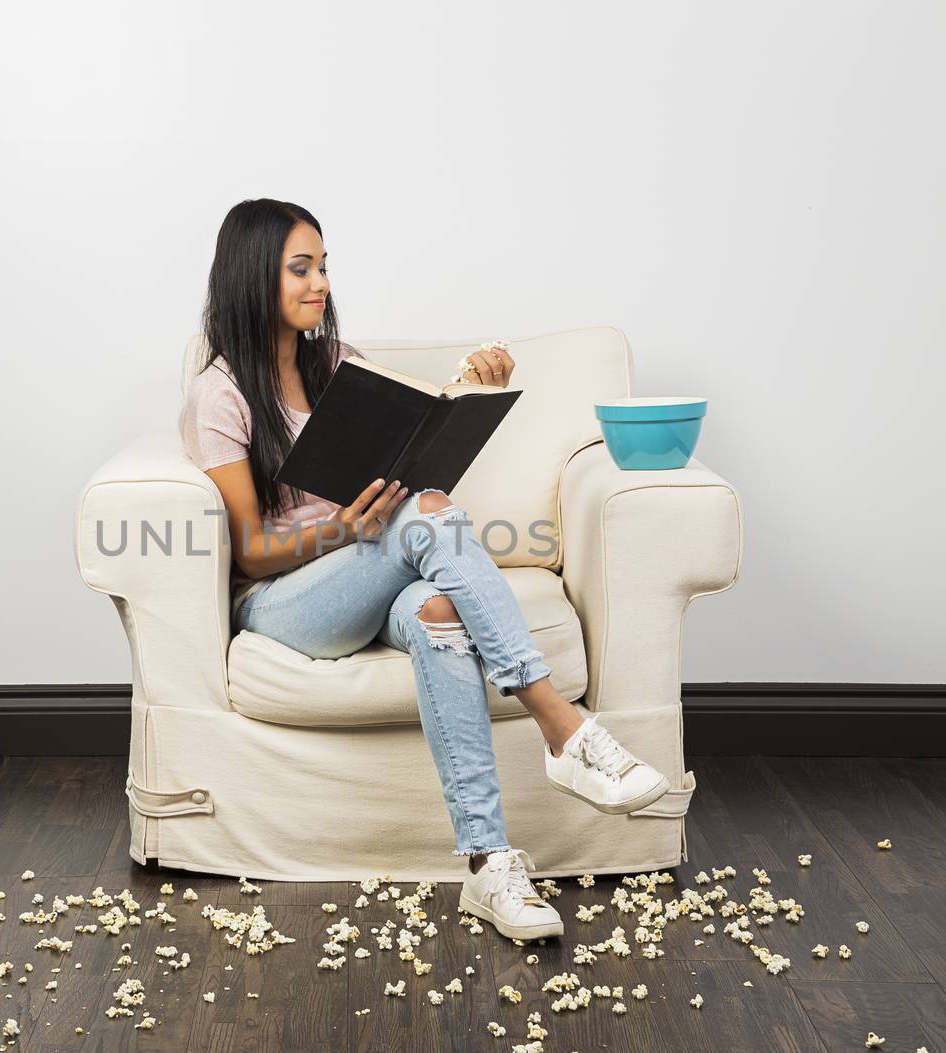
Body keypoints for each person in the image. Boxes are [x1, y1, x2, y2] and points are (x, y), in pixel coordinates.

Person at [176, 198, 670, 939]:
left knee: (440, 609)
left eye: (324, 266)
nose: (321, 284)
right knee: (429, 510)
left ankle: (489, 866)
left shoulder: (334, 368)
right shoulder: (219, 395)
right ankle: (564, 729)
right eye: (301, 269)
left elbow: (400, 461)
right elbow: (249, 549)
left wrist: (465, 389)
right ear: (253, 277)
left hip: (369, 580)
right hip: (286, 602)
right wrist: (345, 529)